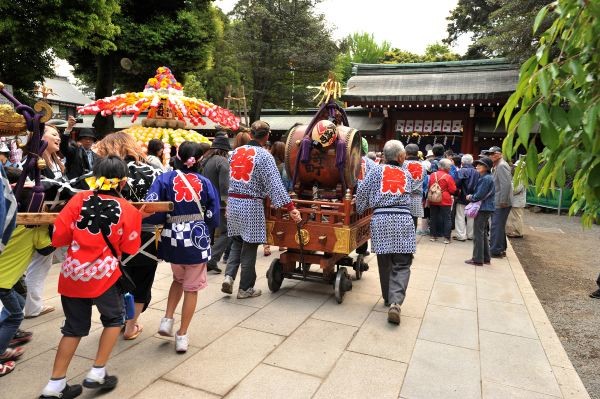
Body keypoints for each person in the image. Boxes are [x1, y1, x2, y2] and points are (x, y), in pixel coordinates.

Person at [40, 156, 144, 398]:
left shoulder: (78, 199)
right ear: (123, 181)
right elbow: (130, 248)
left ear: (95, 177)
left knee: (73, 328)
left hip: (73, 273)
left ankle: (55, 384)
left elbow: (58, 238)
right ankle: (97, 372)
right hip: (104, 275)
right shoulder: (128, 210)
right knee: (113, 319)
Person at [144, 141, 220, 353]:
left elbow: (152, 206)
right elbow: (213, 214)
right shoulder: (205, 182)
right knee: (192, 288)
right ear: (199, 160)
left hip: (172, 237)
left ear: (178, 157)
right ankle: (182, 334)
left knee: (178, 279)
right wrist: (206, 224)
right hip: (197, 238)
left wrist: (164, 218)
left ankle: (167, 319)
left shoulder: (164, 178)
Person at [94, 132, 163, 341]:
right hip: (146, 234)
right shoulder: (152, 171)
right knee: (142, 280)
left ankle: (117, 319)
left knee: (115, 279)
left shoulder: (102, 173)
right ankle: (131, 326)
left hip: (112, 237)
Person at [222, 121, 301, 299]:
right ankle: (245, 288)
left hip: (233, 203)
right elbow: (275, 186)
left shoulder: (233, 154)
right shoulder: (265, 156)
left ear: (251, 134)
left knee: (236, 242)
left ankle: (228, 277)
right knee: (249, 247)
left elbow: (229, 181)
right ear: (267, 136)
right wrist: (290, 207)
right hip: (251, 205)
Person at [356, 140, 416, 325]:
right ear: (400, 157)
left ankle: (387, 297)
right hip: (403, 219)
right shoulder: (407, 173)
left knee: (385, 261)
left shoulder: (374, 171)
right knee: (402, 263)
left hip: (380, 219)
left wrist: (360, 209)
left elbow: (362, 194)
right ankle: (396, 302)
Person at [23, 124, 67, 318]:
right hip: (40, 223)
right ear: (39, 138)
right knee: (39, 263)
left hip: (57, 220)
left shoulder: (56, 162)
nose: (59, 138)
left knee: (47, 262)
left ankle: (32, 306)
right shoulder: (32, 163)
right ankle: (31, 307)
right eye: (54, 134)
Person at [200, 134, 232, 273]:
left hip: (206, 202)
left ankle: (202, 259)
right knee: (227, 232)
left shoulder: (206, 160)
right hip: (219, 204)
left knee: (207, 232)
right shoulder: (223, 161)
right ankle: (212, 260)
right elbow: (225, 185)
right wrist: (227, 203)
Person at [465, 157, 495, 266]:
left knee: (478, 234)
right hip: (486, 207)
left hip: (483, 208)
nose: (477, 166)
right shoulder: (488, 177)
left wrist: (470, 197)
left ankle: (477, 259)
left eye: (480, 165)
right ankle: (486, 257)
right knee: (482, 234)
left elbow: (479, 195)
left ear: (486, 167)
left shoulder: (485, 179)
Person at [483, 146, 512, 257]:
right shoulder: (497, 165)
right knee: (499, 225)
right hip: (499, 199)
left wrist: (503, 200)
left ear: (500, 154)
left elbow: (506, 184)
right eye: (489, 154)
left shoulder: (501, 166)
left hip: (501, 201)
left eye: (493, 153)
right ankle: (501, 248)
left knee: (496, 225)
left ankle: (495, 250)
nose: (491, 156)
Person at [60, 116, 99, 181]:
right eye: (85, 138)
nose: (88, 141)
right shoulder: (74, 152)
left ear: (93, 141)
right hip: (75, 185)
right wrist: (69, 128)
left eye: (90, 139)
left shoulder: (96, 156)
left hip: (91, 185)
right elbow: (63, 147)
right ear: (80, 140)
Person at [428, 158, 456, 243]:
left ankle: (433, 236)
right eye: (450, 166)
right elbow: (452, 190)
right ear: (447, 167)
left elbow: (430, 185)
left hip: (433, 198)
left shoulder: (433, 175)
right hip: (445, 199)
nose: (450, 168)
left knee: (433, 217)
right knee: (447, 218)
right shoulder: (448, 177)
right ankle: (446, 238)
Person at [454, 154, 479, 241]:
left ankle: (461, 235)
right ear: (472, 162)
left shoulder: (461, 171)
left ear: (462, 162)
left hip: (462, 197)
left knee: (460, 216)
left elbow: (457, 184)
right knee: (471, 216)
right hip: (474, 197)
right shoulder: (477, 172)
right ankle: (470, 235)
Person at [404, 144, 426, 230]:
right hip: (417, 196)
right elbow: (424, 180)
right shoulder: (422, 166)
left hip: (404, 196)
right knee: (414, 220)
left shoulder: (403, 164)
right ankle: (412, 240)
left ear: (406, 153)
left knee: (404, 218)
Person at [506, 163, 525, 238]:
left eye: (517, 166)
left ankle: (518, 232)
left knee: (517, 217)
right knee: (515, 217)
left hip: (517, 201)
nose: (514, 168)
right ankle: (514, 231)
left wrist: (507, 190)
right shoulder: (517, 176)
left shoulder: (520, 177)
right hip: (515, 200)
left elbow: (516, 189)